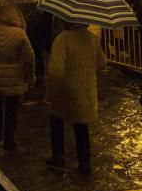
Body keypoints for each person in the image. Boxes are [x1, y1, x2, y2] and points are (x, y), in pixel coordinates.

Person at [45, 22, 107, 175]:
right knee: (81, 125)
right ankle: (85, 163)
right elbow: (102, 63)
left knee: (56, 119)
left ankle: (58, 156)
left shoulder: (62, 39)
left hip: (66, 89)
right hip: (86, 89)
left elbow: (56, 71)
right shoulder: (92, 38)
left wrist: (50, 93)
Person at [0, 5, 35, 150]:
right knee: (11, 108)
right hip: (14, 74)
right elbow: (29, 57)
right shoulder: (20, 33)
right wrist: (31, 77)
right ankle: (9, 139)